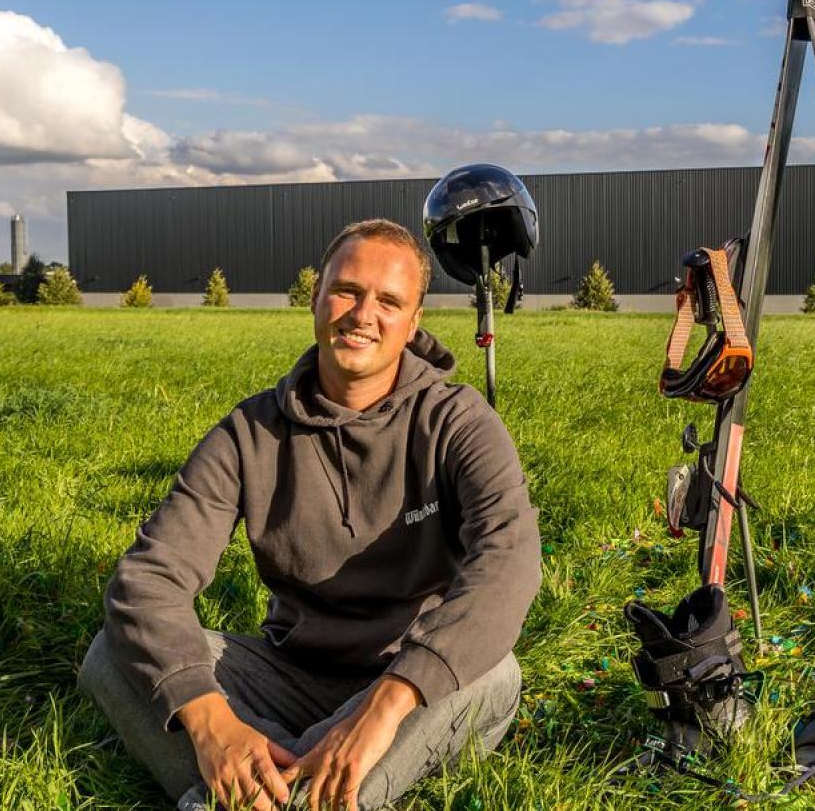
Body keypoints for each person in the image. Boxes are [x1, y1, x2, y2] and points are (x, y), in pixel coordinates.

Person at [79, 218, 542, 811]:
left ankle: (249, 793)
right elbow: (148, 581)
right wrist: (210, 719)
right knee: (113, 655)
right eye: (347, 291)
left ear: (413, 322)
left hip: (412, 683)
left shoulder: (458, 421)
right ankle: (290, 781)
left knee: (493, 671)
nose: (363, 315)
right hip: (288, 674)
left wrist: (384, 706)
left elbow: (509, 561)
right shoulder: (249, 433)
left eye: (388, 301)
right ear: (316, 298)